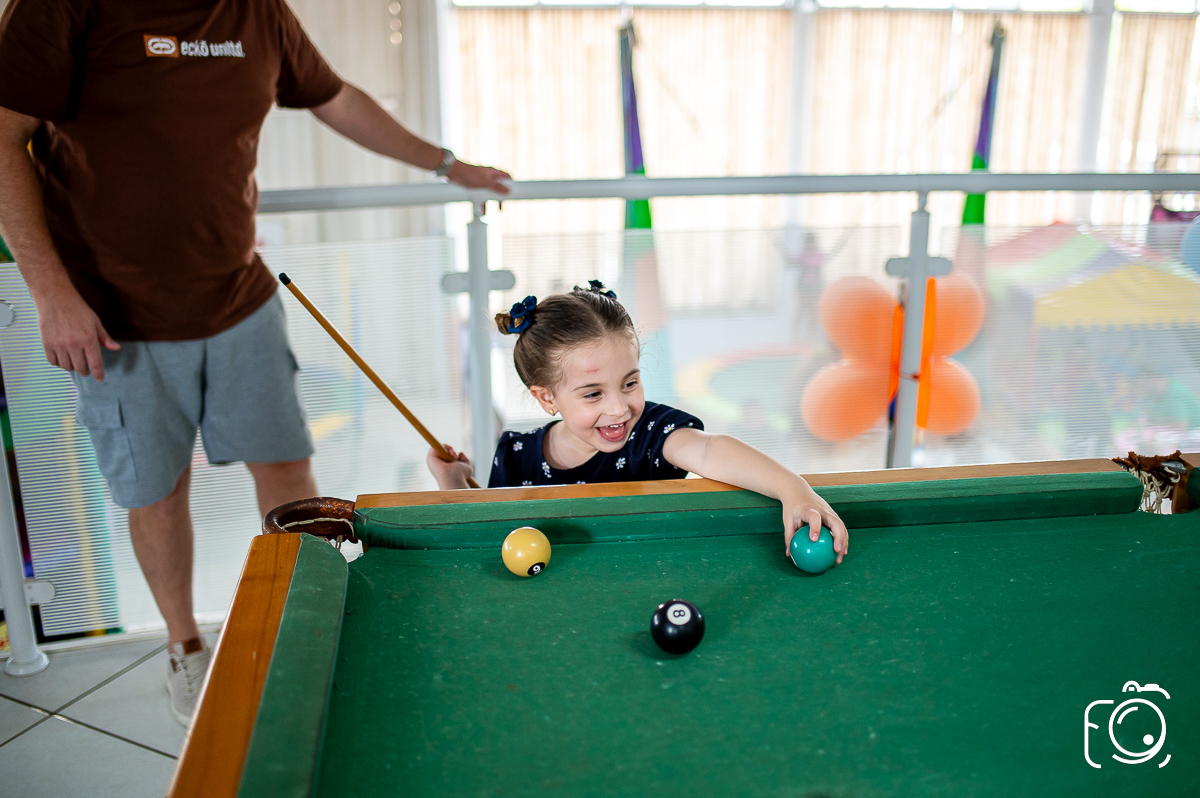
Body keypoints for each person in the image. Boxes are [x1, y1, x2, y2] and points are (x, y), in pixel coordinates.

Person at [0, 0, 509, 726]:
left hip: (240, 300)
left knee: (290, 477)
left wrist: (447, 164)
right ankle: (185, 647)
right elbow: (3, 131)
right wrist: (49, 291)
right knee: (157, 494)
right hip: (113, 315)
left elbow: (335, 98)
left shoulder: (258, 11)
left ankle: (305, 625)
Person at [426, 281, 850, 560]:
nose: (619, 408)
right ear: (546, 397)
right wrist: (454, 482)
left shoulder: (651, 432)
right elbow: (488, 532)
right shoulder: (514, 456)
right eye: (593, 394)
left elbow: (709, 448)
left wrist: (793, 489)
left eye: (629, 383)